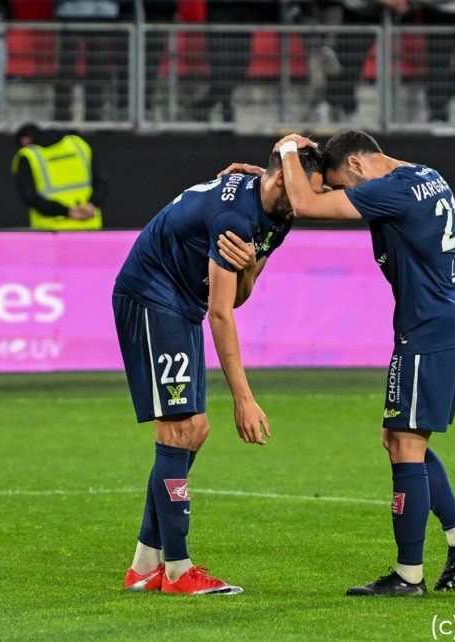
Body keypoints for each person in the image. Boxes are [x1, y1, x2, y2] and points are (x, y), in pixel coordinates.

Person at [220, 129, 455, 596]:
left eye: (342, 185)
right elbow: (322, 189)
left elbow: (306, 205)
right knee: (399, 438)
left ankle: (409, 576)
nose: (343, 196)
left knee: (406, 445)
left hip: (428, 330)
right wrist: (269, 176)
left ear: (359, 166)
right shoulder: (425, 175)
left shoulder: (389, 190)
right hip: (446, 322)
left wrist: (285, 150)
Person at [115, 145, 325, 595]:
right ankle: (177, 570)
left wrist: (246, 267)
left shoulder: (282, 215)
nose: (310, 203)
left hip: (180, 302)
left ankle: (145, 566)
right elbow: (221, 312)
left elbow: (241, 293)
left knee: (195, 430)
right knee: (176, 429)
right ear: (281, 179)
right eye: (306, 191)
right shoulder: (234, 217)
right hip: (151, 294)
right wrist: (244, 399)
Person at [11, 123, 107, 230]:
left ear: (25, 140)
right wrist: (92, 204)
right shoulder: (78, 144)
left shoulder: (28, 156)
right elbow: (100, 183)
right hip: (90, 226)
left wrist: (67, 211)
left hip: (49, 229)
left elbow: (29, 196)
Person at [54, 0, 128, 123]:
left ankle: (94, 118)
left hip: (101, 12)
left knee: (96, 68)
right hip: (72, 11)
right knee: (68, 67)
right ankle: (62, 119)